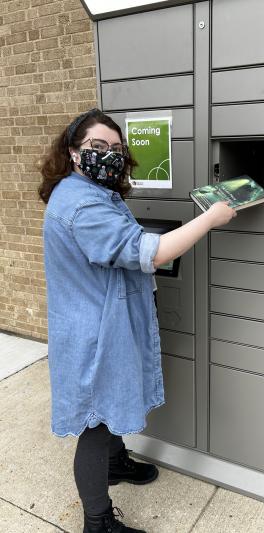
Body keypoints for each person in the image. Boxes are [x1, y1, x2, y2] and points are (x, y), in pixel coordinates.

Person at [38, 108, 236, 533]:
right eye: (96, 147)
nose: (107, 155)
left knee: (108, 407)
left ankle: (115, 463)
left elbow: (123, 243)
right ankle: (98, 522)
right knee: (95, 420)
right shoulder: (80, 204)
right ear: (74, 152)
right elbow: (154, 253)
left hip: (102, 322)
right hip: (95, 334)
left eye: (115, 148)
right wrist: (211, 217)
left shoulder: (89, 192)